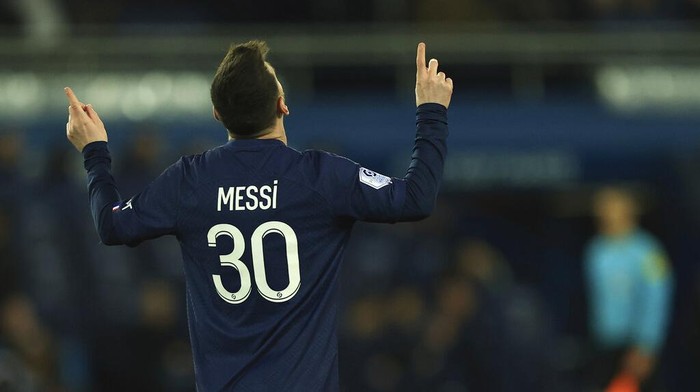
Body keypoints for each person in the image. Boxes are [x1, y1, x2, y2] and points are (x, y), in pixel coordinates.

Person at [63, 41, 452, 391]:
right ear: (282, 103)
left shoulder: (190, 180)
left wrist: (95, 151)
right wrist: (431, 112)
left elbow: (112, 224)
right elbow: (415, 198)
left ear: (217, 114)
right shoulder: (319, 176)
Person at [584, 187, 674, 391]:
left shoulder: (648, 252)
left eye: (612, 208)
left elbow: (656, 299)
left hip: (634, 346)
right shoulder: (596, 250)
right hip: (603, 343)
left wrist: (646, 345)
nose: (606, 215)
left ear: (628, 212)